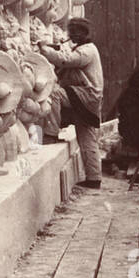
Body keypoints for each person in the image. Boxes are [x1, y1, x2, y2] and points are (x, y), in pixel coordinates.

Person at [40, 18, 104, 188]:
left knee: (54, 94)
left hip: (85, 95)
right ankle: (94, 178)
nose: (70, 35)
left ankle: (51, 133)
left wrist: (45, 51)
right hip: (87, 97)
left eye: (73, 32)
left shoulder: (87, 51)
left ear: (82, 33)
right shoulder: (84, 49)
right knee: (87, 136)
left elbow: (66, 60)